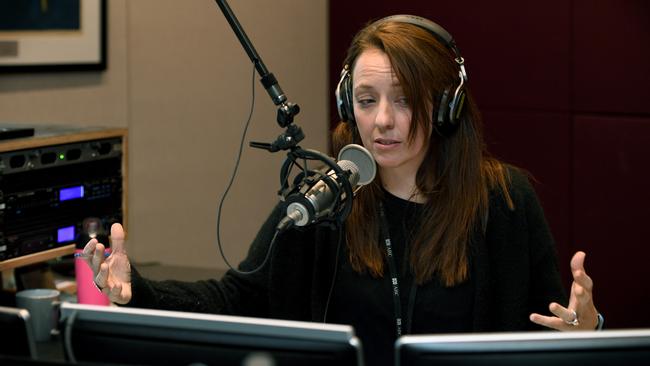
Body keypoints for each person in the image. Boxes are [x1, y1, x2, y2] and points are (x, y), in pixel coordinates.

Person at [81, 15, 601, 366]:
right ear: (346, 104)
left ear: (446, 105)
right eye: (367, 99)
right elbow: (239, 298)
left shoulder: (503, 202)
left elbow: (552, 326)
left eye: (404, 99)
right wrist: (138, 292)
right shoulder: (324, 199)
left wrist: (588, 329)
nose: (383, 121)